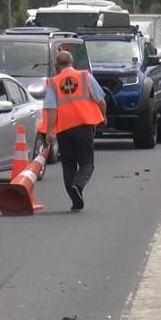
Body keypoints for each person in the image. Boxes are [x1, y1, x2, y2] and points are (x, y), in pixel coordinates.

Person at [43, 51, 107, 211]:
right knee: (87, 164)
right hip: (83, 126)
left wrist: (50, 131)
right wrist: (103, 117)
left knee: (68, 165)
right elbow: (101, 100)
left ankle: (75, 200)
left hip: (64, 129)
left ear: (57, 66)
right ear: (72, 62)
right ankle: (77, 186)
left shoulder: (53, 82)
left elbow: (51, 108)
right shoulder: (85, 76)